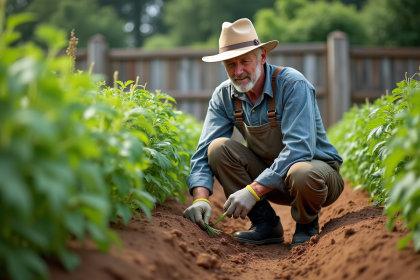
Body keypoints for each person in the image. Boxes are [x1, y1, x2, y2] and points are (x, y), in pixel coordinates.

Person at [182, 18, 344, 247]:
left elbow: (300, 149)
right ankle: (266, 224)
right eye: (230, 64)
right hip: (270, 178)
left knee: (301, 171)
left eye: (245, 61)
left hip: (317, 178)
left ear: (262, 56)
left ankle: (307, 225)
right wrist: (200, 199)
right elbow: (202, 152)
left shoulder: (292, 85)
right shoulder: (224, 96)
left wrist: (252, 190)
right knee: (217, 149)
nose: (238, 71)